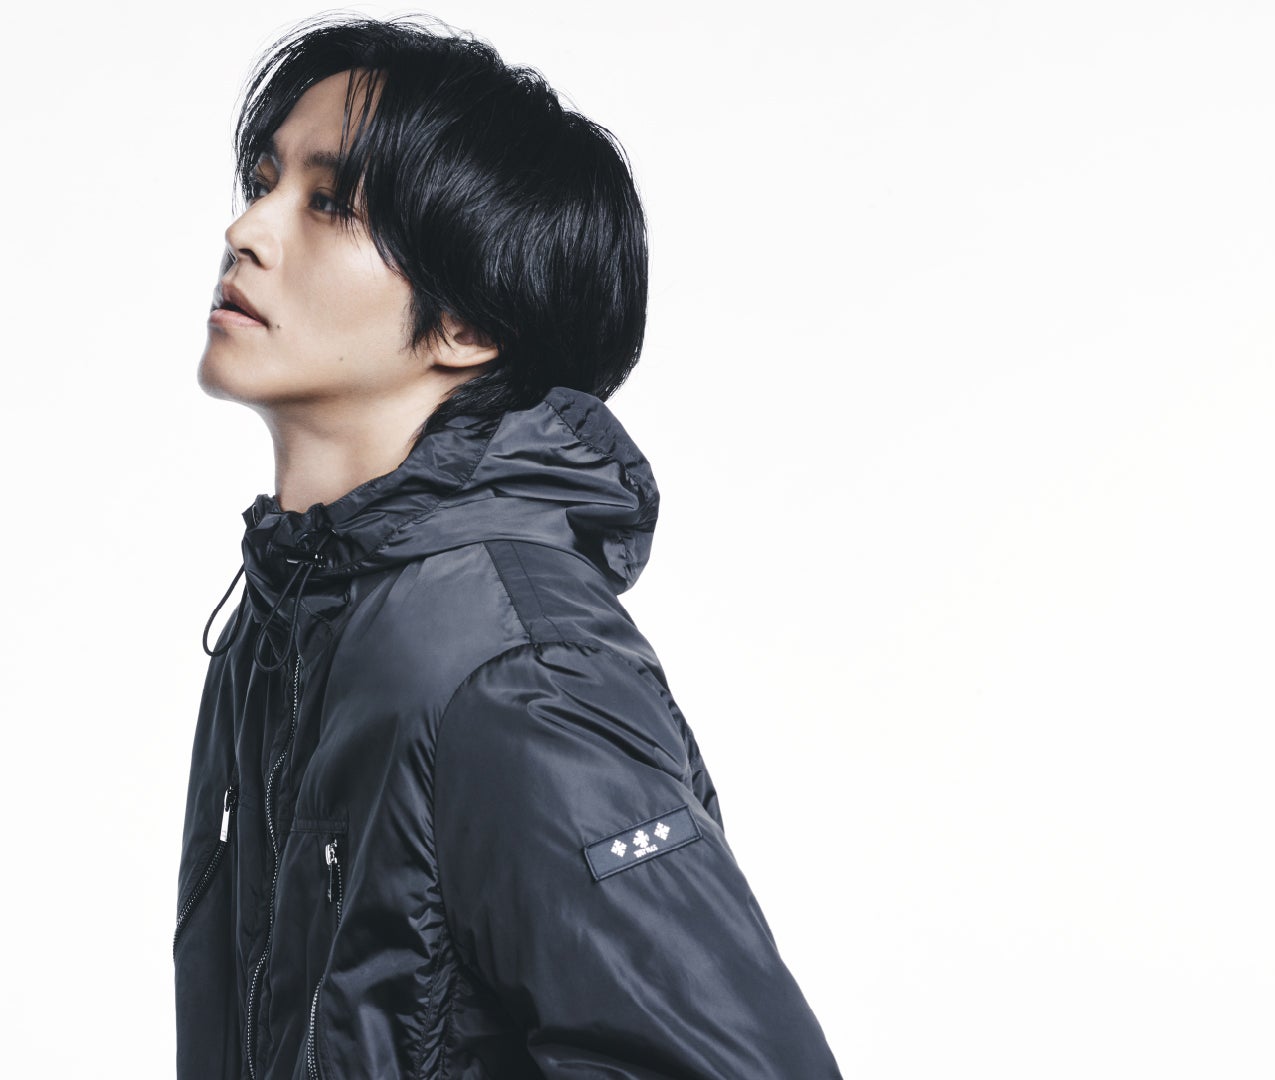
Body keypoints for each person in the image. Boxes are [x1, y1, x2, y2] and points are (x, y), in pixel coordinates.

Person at [177, 14, 841, 1079]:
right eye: (264, 182)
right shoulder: (286, 628)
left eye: (329, 203)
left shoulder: (511, 671)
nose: (246, 229)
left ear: (468, 325)